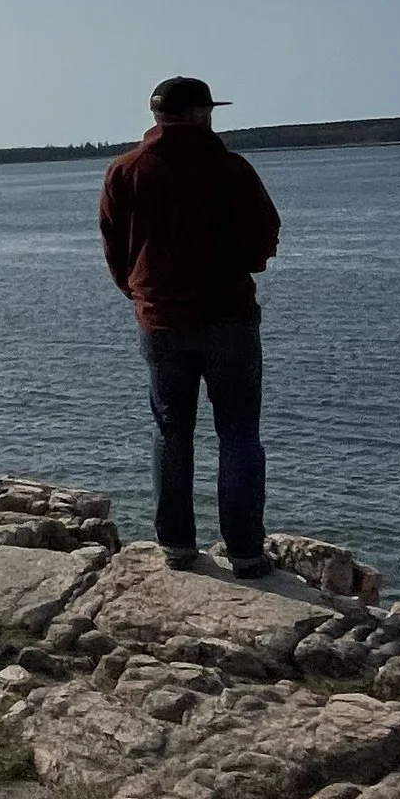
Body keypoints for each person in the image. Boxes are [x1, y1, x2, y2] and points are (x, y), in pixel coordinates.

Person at [98, 77, 283, 577]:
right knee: (239, 433)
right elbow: (264, 236)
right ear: (203, 115)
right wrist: (247, 263)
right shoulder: (229, 169)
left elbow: (115, 250)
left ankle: (177, 546)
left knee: (171, 433)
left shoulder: (125, 171)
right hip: (228, 317)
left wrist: (142, 294)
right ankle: (245, 552)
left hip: (160, 322)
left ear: (156, 117)